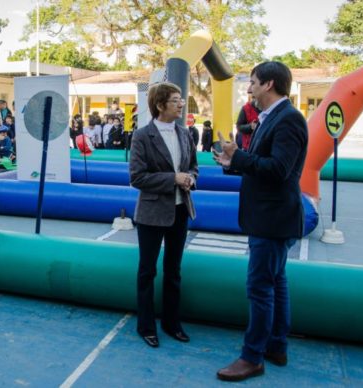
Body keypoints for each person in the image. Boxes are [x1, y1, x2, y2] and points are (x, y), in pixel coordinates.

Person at [213, 61, 308, 382]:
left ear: (269, 85)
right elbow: (265, 165)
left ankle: (252, 357)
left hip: (273, 219)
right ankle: (276, 345)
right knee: (276, 282)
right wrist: (233, 161)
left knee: (259, 288)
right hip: (271, 217)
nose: (249, 88)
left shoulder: (289, 120)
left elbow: (279, 170)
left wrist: (238, 157)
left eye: (253, 82)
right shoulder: (273, 118)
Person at [129, 82, 198, 348]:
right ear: (160, 105)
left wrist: (190, 179)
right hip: (151, 214)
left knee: (174, 271)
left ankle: (171, 322)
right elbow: (137, 177)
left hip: (181, 211)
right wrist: (173, 178)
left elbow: (193, 168)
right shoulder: (142, 136)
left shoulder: (185, 134)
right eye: (176, 100)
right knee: (147, 271)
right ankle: (146, 326)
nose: (181, 104)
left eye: (181, 99)